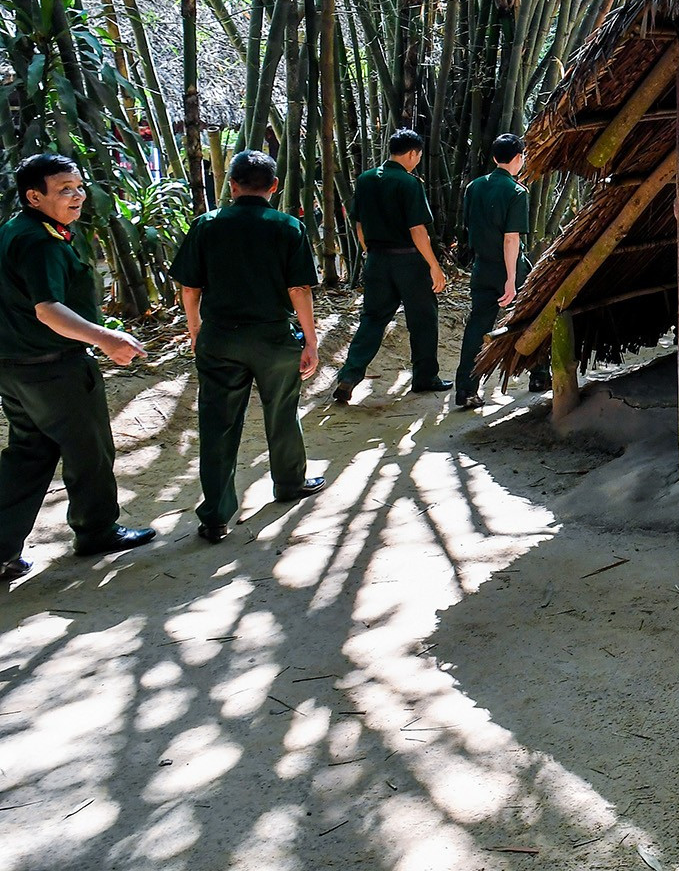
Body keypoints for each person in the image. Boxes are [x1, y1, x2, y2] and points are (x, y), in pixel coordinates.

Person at [0, 154, 153, 580]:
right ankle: (96, 530)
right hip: (55, 369)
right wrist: (105, 338)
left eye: (79, 186)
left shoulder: (17, 230)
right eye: (64, 189)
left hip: (16, 367)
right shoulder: (40, 241)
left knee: (29, 455)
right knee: (89, 450)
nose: (77, 196)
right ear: (34, 196)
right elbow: (48, 309)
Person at [170, 150, 328, 543]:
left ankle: (216, 515)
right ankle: (289, 483)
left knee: (217, 424)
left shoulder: (206, 224)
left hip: (220, 337)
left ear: (232, 185)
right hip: (273, 337)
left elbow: (190, 288)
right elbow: (299, 288)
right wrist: (310, 339)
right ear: (274, 187)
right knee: (282, 410)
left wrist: (196, 329)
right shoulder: (288, 227)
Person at [333, 129, 450, 404]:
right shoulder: (409, 184)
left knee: (372, 319)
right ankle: (424, 377)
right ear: (412, 153)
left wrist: (369, 252)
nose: (418, 160)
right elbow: (418, 229)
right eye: (418, 155)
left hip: (376, 259)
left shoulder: (365, 179)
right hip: (409, 259)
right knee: (423, 318)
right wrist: (434, 265)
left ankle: (349, 376)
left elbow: (358, 223)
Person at [454, 135, 531, 410]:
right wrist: (511, 279)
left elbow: (469, 226)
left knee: (477, 325)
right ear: (519, 158)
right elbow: (511, 239)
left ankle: (465, 389)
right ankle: (541, 375)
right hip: (509, 267)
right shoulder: (516, 192)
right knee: (533, 316)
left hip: (481, 266)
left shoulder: (474, 187)